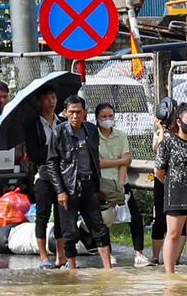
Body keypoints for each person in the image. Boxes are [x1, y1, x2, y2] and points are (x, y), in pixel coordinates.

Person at [45, 95, 113, 270]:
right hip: (69, 187)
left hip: (89, 185)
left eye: (79, 112)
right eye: (71, 112)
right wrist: (60, 191)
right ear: (66, 113)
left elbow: (95, 158)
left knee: (99, 227)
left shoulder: (90, 130)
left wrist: (98, 186)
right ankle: (72, 268)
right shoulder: (58, 132)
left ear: (85, 113)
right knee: (70, 232)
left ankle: (107, 267)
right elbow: (52, 163)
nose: (75, 116)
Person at [155, 102, 187, 275]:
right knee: (174, 233)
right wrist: (171, 183)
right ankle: (170, 273)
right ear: (178, 121)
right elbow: (159, 171)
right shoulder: (169, 142)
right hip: (176, 193)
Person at [22, 85, 64, 266]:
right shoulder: (33, 126)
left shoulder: (62, 122)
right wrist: (53, 148)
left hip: (62, 175)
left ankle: (61, 256)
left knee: (62, 215)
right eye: (47, 98)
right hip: (43, 175)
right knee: (43, 214)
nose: (51, 101)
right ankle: (44, 257)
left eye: (53, 97)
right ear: (39, 102)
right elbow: (33, 154)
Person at [93, 101, 135, 253]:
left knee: (134, 217)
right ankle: (107, 253)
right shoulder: (93, 136)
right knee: (105, 219)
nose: (107, 119)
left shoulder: (121, 135)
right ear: (97, 118)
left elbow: (126, 161)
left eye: (110, 116)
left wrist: (122, 183)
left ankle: (139, 253)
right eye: (104, 116)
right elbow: (98, 163)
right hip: (102, 181)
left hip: (119, 180)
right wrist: (120, 161)